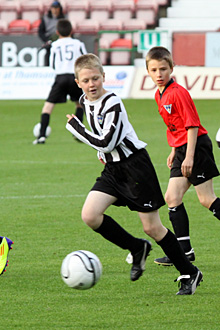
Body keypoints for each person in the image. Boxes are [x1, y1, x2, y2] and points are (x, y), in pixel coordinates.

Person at [65, 53, 203, 295]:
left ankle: (189, 272)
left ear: (104, 77)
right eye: (85, 81)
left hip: (135, 168)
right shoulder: (84, 101)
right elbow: (102, 142)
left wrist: (78, 129)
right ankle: (137, 248)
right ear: (78, 83)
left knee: (153, 227)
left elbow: (106, 141)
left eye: (95, 78)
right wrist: (99, 152)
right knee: (90, 215)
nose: (91, 84)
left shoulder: (113, 103)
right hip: (112, 170)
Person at [146, 46, 220, 266]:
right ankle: (184, 253)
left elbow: (192, 125)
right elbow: (174, 126)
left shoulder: (178, 93)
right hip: (182, 149)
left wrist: (188, 156)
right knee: (172, 198)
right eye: (154, 70)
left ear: (172, 68)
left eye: (163, 69)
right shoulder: (159, 95)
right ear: (148, 72)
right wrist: (173, 150)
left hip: (196, 148)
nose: (159, 74)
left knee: (206, 200)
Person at [33, 19, 87, 145]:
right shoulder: (78, 43)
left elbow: (52, 64)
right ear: (71, 31)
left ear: (57, 32)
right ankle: (78, 134)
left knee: (48, 107)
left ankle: (41, 136)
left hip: (60, 77)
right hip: (75, 77)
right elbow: (85, 59)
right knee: (79, 105)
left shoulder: (55, 45)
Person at [38, 1, 65, 66]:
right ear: (51, 9)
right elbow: (40, 31)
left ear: (59, 9)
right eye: (53, 8)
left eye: (57, 8)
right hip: (49, 42)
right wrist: (46, 40)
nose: (55, 10)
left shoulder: (63, 19)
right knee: (48, 58)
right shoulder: (46, 18)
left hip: (60, 42)